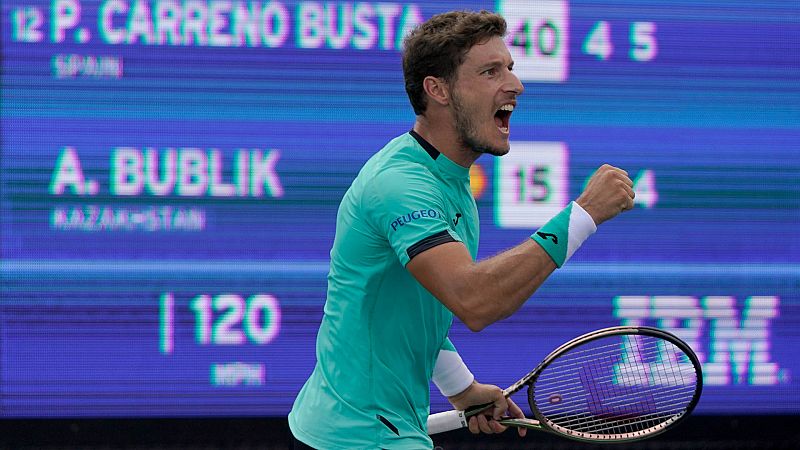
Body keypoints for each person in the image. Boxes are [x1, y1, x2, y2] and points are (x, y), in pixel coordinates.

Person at [288, 10, 635, 449]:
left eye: (509, 68)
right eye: (491, 71)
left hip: (354, 427)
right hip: (361, 437)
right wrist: (582, 216)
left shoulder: (449, 180)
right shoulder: (400, 185)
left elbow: (416, 312)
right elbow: (474, 299)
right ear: (438, 90)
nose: (515, 84)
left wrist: (462, 389)